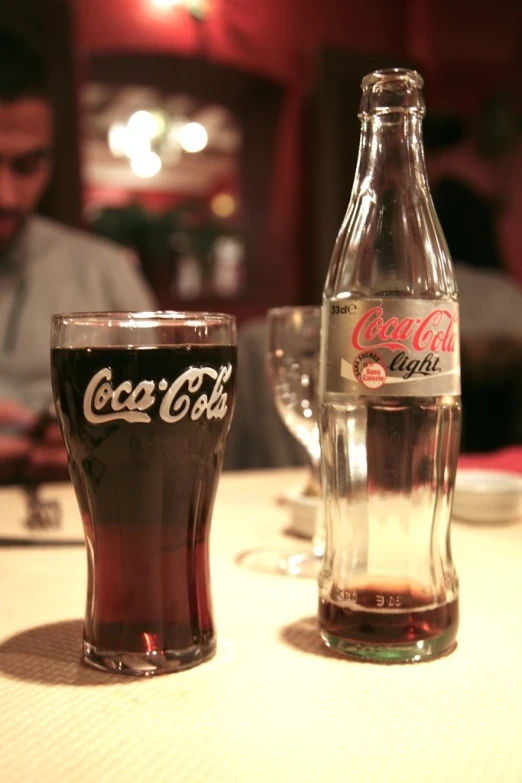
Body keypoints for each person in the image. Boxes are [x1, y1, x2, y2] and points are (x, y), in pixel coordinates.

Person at [0, 27, 156, 483]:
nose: (7, 196)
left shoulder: (104, 271)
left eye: (28, 165)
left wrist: (104, 445)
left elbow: (165, 422)